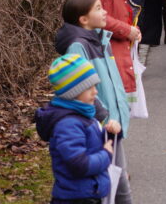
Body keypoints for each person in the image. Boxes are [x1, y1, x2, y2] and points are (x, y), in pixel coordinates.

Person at [54, 0, 132, 204]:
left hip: (112, 122)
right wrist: (105, 116)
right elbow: (81, 88)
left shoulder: (100, 39)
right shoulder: (78, 46)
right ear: (83, 19)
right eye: (98, 8)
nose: (104, 11)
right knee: (119, 185)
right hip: (102, 124)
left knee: (118, 181)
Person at [35, 54, 116, 204]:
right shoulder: (68, 124)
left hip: (88, 194)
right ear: (73, 92)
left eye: (95, 86)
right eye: (89, 87)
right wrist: (106, 155)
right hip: (77, 198)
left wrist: (110, 133)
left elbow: (92, 144)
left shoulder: (83, 115)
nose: (95, 91)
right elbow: (79, 164)